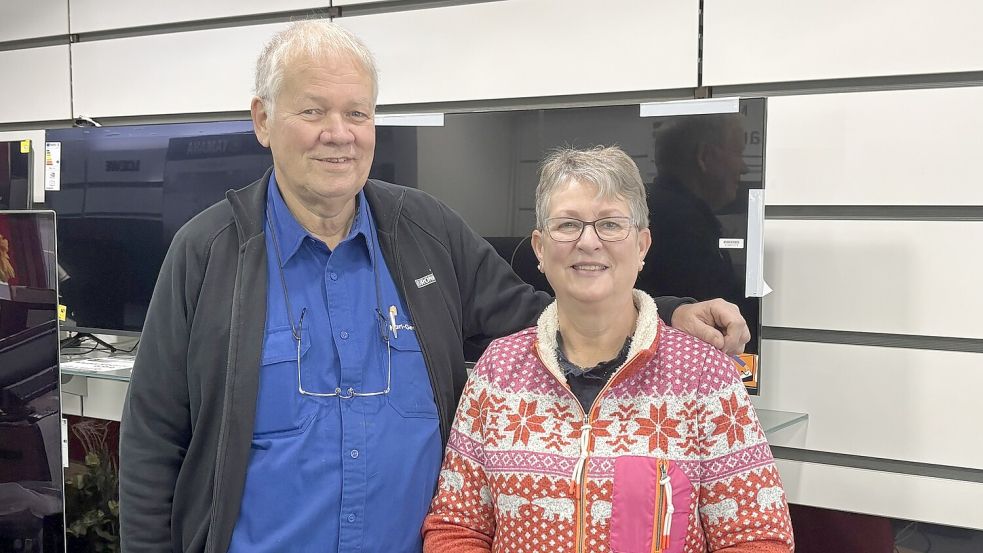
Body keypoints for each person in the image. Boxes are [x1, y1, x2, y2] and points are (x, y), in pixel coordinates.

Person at [118, 21, 752, 553]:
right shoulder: (207, 253)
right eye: (312, 111)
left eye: (357, 113)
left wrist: (668, 314)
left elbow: (538, 318)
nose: (339, 133)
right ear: (263, 119)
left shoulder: (425, 230)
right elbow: (151, 437)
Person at [422, 146, 793, 552]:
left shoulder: (704, 378)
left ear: (642, 246)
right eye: (567, 224)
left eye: (611, 224)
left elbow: (758, 538)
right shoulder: (497, 372)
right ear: (540, 249)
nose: (588, 242)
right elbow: (457, 527)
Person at [637, 113, 748, 304]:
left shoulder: (656, 208)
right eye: (738, 153)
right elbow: (714, 306)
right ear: (705, 157)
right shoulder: (681, 225)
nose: (745, 168)